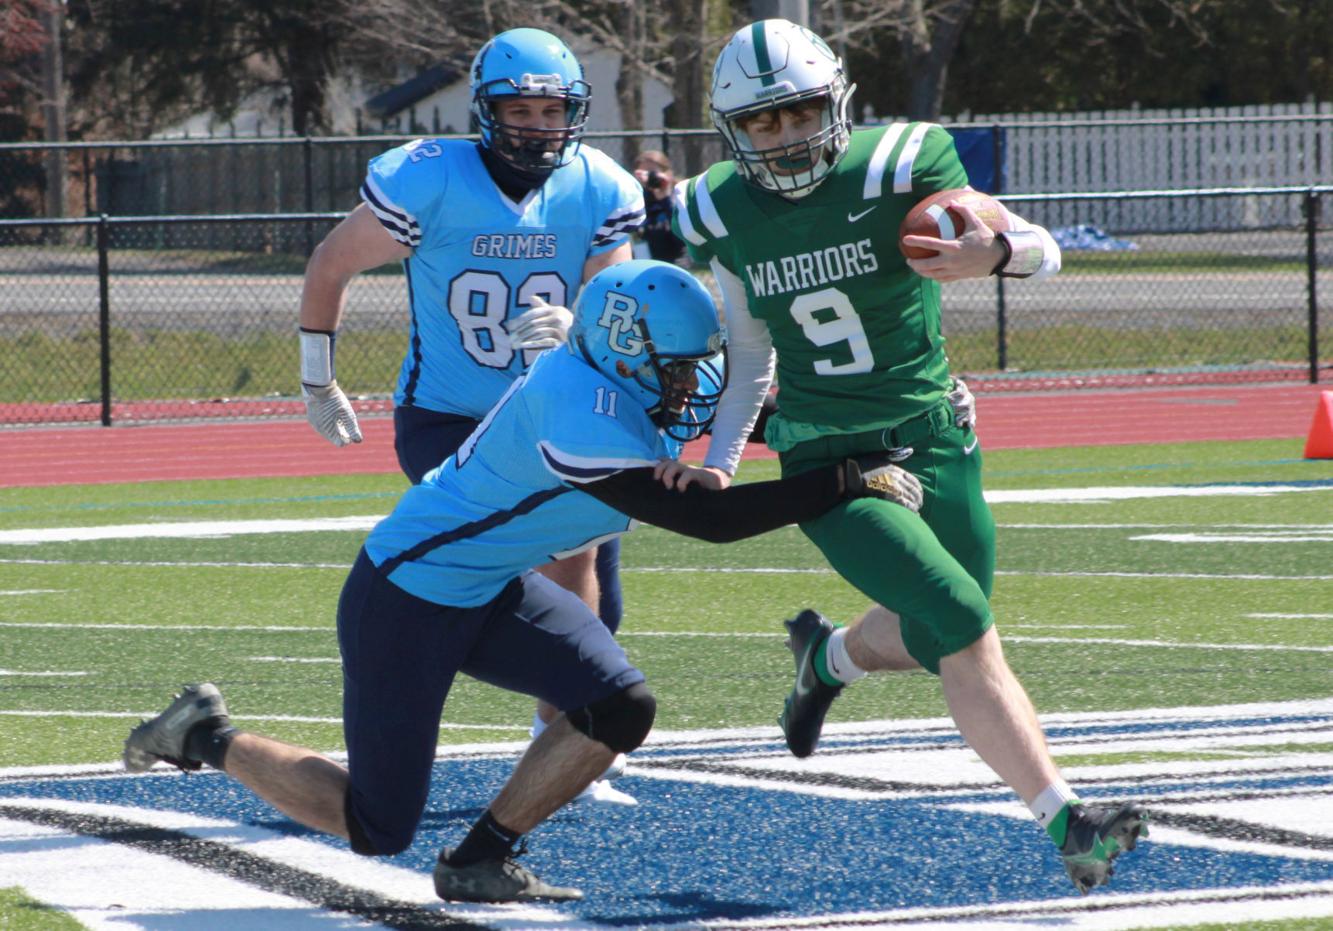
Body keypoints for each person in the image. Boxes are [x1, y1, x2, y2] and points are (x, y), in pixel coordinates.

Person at [123, 260, 928, 903]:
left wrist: (877, 428)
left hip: (489, 584)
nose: (689, 385)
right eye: (676, 369)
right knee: (377, 826)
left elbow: (745, 416)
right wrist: (844, 479)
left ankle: (478, 858)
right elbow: (710, 520)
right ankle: (202, 735)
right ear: (624, 350)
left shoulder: (614, 371)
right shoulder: (577, 407)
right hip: (408, 593)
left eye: (694, 367)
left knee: (619, 706)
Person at [667, 19, 1148, 895]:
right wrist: (720, 459)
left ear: (835, 102)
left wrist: (991, 253)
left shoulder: (901, 165)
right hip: (829, 459)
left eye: (799, 113)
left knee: (936, 632)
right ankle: (1068, 820)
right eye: (762, 123)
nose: (785, 136)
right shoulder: (717, 206)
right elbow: (749, 354)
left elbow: (1043, 249)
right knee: (957, 616)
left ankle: (825, 659)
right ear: (732, 129)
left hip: (933, 433)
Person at [296, 28, 641, 804]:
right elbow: (331, 262)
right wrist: (318, 378)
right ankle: (567, 717)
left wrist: (578, 329)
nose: (538, 125)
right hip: (449, 417)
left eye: (552, 110)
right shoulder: (431, 178)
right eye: (520, 109)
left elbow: (616, 309)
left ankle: (566, 732)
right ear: (486, 110)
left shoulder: (597, 185)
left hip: (555, 413)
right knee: (559, 549)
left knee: (589, 566)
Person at [629, 149, 686, 263]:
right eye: (644, 174)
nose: (649, 178)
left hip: (675, 262)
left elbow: (683, 236)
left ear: (668, 174)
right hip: (644, 262)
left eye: (652, 172)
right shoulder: (636, 199)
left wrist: (665, 199)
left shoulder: (679, 196)